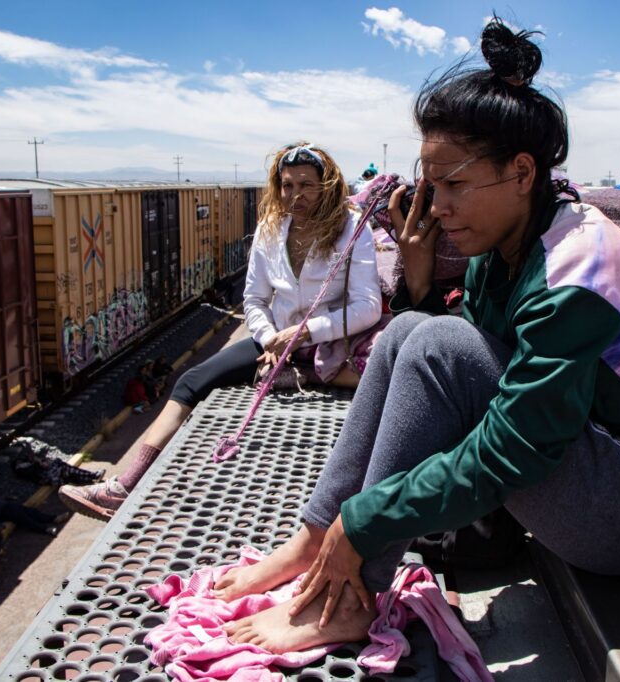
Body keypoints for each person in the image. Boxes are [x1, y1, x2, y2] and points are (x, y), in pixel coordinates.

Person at [210, 18, 620, 654]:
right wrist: (419, 285)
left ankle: (354, 595)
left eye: (454, 185)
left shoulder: (576, 270)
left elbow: (514, 446)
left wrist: (367, 522)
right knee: (410, 334)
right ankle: (316, 539)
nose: (439, 206)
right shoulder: (505, 245)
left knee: (433, 343)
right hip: (593, 465)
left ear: (523, 172)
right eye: (432, 186)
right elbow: (469, 383)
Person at [59, 142, 384, 520]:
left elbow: (367, 305)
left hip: (328, 340)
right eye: (288, 185)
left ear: (326, 185)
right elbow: (254, 301)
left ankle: (311, 373)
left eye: (306, 185)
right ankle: (125, 485)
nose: (295, 195)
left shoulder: (351, 229)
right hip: (275, 343)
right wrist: (267, 339)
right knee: (191, 382)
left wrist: (305, 332)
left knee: (378, 374)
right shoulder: (270, 228)